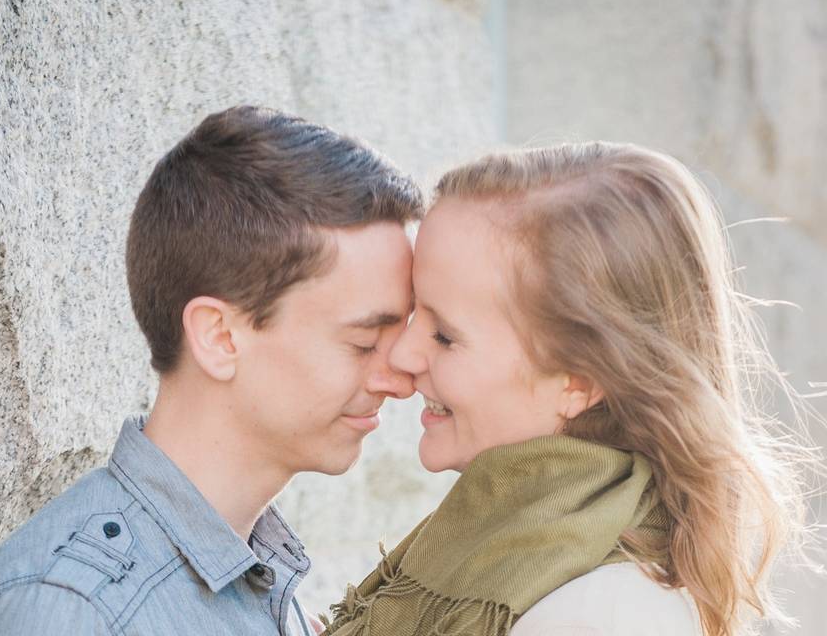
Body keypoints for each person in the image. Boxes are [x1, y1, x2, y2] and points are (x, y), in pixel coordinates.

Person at [0, 105, 423, 636]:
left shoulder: (262, 581)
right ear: (218, 337)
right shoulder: (69, 616)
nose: (400, 381)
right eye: (364, 342)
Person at [322, 142, 816, 636]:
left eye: (445, 336)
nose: (402, 356)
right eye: (415, 312)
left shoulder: (602, 615)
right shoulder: (500, 548)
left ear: (580, 382)